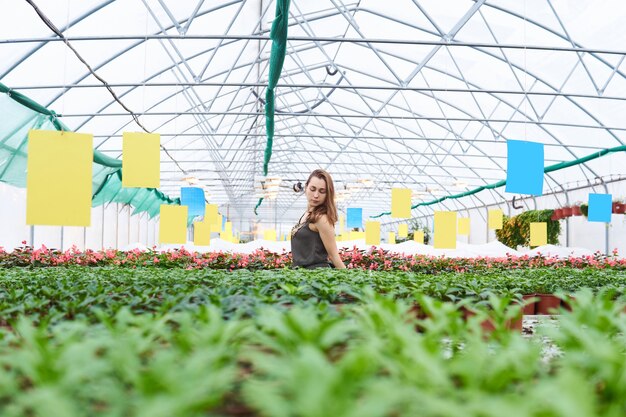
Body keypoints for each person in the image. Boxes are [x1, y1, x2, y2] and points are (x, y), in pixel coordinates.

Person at [290, 169, 346, 269]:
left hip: (317, 277)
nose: (316, 195)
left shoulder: (322, 219)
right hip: (302, 275)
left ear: (327, 194)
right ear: (306, 187)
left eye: (322, 191)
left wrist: (350, 280)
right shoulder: (306, 215)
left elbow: (334, 256)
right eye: (312, 189)